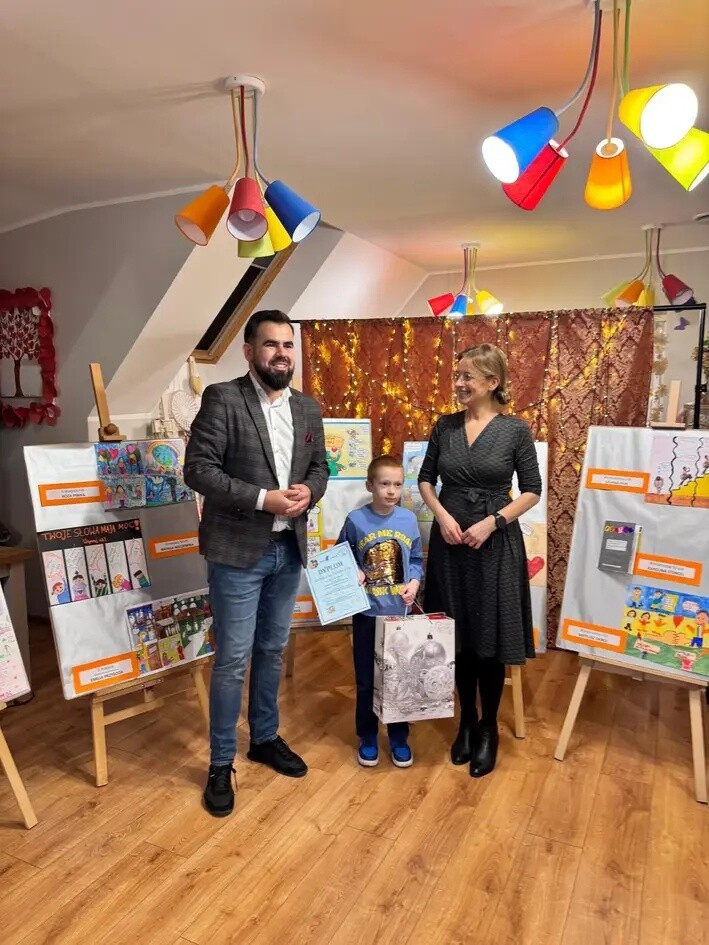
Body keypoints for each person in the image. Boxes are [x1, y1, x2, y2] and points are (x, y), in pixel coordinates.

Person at [184, 309, 329, 817]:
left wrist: (310, 490)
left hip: (288, 550)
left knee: (272, 649)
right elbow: (198, 470)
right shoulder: (223, 399)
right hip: (237, 552)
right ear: (249, 352)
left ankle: (264, 738)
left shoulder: (307, 408)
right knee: (232, 660)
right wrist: (263, 499)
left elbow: (320, 466)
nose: (281, 354)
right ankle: (220, 763)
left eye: (288, 345)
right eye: (271, 345)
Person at [417, 344, 541, 778]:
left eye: (468, 376)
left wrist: (493, 522)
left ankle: (489, 728)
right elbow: (426, 480)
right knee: (457, 637)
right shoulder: (445, 426)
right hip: (451, 545)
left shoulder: (515, 430)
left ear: (493, 382)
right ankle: (466, 721)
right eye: (458, 375)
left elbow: (532, 489)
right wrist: (442, 516)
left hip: (494, 545)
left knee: (489, 639)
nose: (460, 383)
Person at [337, 456, 423, 768]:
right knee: (366, 679)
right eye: (384, 484)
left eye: (397, 484)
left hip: (400, 616)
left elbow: (416, 559)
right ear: (370, 485)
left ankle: (399, 736)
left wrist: (414, 583)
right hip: (367, 614)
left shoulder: (408, 520)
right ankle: (368, 735)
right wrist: (354, 571)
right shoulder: (356, 520)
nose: (391, 491)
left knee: (399, 677)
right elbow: (341, 556)